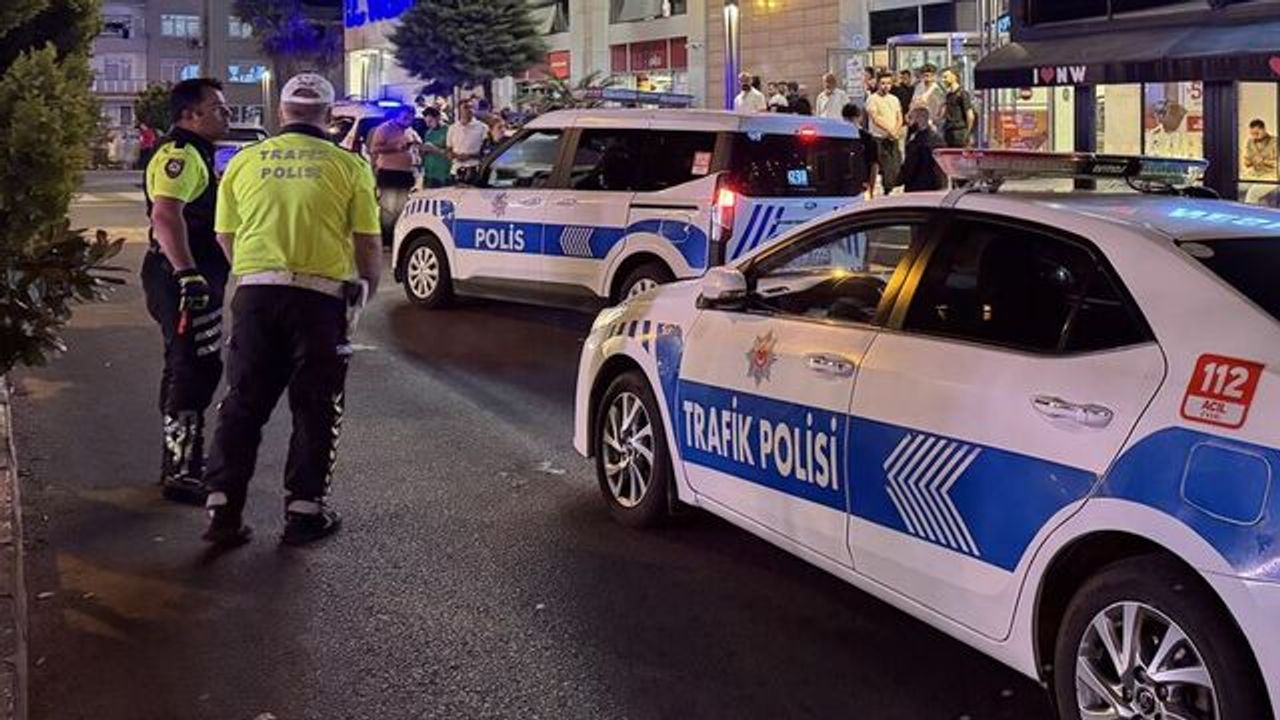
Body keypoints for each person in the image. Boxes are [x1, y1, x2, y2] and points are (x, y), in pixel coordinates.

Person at [203, 73, 382, 547]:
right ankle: (304, 511)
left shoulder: (244, 162)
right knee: (316, 405)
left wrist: (254, 273)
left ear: (281, 112)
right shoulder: (349, 165)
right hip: (320, 299)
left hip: (256, 295)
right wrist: (366, 288)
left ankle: (222, 506)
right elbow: (368, 241)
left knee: (243, 402)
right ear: (329, 115)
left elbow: (224, 234)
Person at [140, 78, 231, 504]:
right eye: (218, 108)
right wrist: (187, 273)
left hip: (192, 276)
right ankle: (181, 471)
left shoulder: (198, 153)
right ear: (190, 115)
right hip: (182, 279)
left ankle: (179, 461)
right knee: (194, 367)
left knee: (186, 364)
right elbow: (165, 215)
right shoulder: (180, 155)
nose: (226, 114)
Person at [368, 105, 421, 245]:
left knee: (401, 208)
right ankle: (386, 240)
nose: (408, 120)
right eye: (405, 117)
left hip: (406, 173)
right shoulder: (385, 129)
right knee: (389, 208)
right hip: (389, 173)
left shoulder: (410, 131)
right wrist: (395, 147)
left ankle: (397, 238)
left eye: (411, 118)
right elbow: (374, 148)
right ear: (398, 116)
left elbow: (417, 145)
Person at [867, 72, 904, 196]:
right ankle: (880, 192)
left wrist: (896, 130)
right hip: (879, 138)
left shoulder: (894, 99)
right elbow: (875, 118)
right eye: (883, 83)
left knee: (895, 166)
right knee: (883, 167)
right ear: (878, 84)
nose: (886, 86)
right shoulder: (872, 99)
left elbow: (899, 116)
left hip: (893, 138)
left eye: (888, 83)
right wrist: (889, 130)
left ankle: (891, 191)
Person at [898, 106, 947, 192]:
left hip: (918, 187)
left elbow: (909, 168)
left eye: (911, 118)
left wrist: (897, 180)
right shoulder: (939, 140)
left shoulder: (917, 143)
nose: (908, 122)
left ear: (918, 120)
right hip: (938, 186)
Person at [446, 99, 488, 182]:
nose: (469, 110)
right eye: (466, 107)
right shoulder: (453, 128)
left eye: (471, 107)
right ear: (459, 110)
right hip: (456, 170)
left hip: (474, 169)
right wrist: (456, 156)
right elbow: (448, 150)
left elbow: (485, 151)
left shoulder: (482, 127)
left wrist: (469, 156)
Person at [842, 102, 879, 197]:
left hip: (842, 186)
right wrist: (871, 189)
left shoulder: (838, 137)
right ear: (860, 118)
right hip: (861, 185)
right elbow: (874, 165)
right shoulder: (867, 138)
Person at [1243, 118, 1278, 205]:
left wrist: (1264, 161)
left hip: (1272, 176)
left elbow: (1277, 164)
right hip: (1253, 174)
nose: (1254, 136)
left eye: (1257, 133)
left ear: (1264, 130)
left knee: (1253, 192)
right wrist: (1252, 161)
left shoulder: (1276, 142)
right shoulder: (1249, 142)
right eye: (1252, 134)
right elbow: (1246, 162)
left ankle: (1250, 212)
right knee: (1235, 186)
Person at [940, 67, 975, 148]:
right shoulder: (948, 95)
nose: (943, 80)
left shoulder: (962, 94)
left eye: (945, 77)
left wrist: (967, 133)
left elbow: (970, 116)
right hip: (948, 132)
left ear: (954, 77)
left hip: (959, 132)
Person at [418, 107, 451, 189]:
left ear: (438, 117)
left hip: (443, 174)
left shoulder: (449, 131)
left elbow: (451, 153)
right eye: (426, 122)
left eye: (430, 121)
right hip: (429, 173)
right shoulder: (428, 133)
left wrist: (434, 149)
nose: (428, 125)